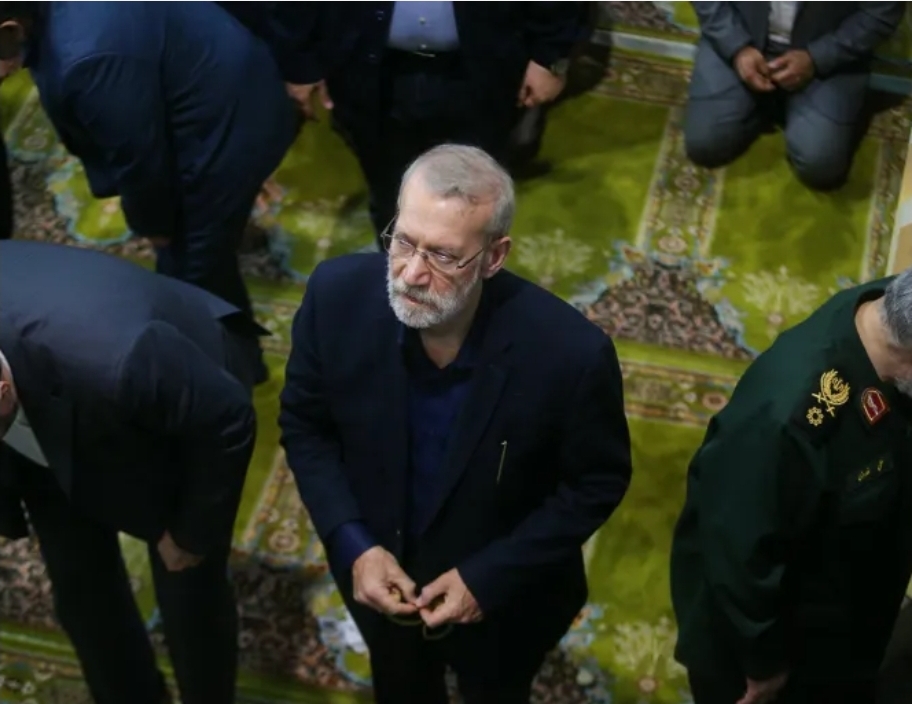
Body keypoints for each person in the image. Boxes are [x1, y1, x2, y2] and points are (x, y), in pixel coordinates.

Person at [278, 144, 632, 703]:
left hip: (507, 604)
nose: (412, 273)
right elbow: (305, 426)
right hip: (380, 584)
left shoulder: (571, 355)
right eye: (403, 241)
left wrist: (489, 577)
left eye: (444, 256)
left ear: (493, 257)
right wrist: (353, 544)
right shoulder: (335, 297)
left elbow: (595, 483)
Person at [0, 240, 263, 704]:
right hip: (45, 409)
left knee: (187, 587)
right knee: (80, 588)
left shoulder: (118, 359)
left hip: (176, 410)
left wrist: (190, 534)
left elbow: (227, 420)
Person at [0, 1, 300, 383]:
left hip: (225, 129)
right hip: (216, 85)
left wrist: (155, 225)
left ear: (9, 31)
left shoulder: (86, 59)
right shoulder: (56, 25)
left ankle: (237, 372)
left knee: (191, 276)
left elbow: (140, 161)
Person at [670, 267, 912, 703]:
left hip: (851, 602)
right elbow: (738, 556)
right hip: (772, 646)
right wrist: (762, 663)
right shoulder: (786, 421)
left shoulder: (889, 309)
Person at [257, 3, 587, 245]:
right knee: (388, 185)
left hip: (483, 66)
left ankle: (466, 270)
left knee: (474, 185)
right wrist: (300, 63)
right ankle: (402, 272)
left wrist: (550, 57)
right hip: (366, 67)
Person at [684, 2, 904, 190]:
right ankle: (771, 104)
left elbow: (882, 13)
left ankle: (777, 105)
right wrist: (736, 47)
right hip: (741, 32)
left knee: (820, 169)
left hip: (826, 47)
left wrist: (817, 58)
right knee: (704, 146)